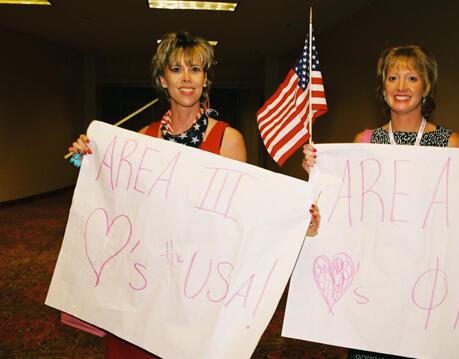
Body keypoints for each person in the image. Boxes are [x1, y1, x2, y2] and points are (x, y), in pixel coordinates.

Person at [68, 31, 319, 358]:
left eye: (196, 69)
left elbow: (242, 217)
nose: (186, 78)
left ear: (206, 80)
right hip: (144, 280)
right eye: (176, 69)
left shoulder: (227, 139)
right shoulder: (142, 138)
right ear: (162, 79)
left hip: (195, 286)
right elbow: (115, 197)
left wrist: (299, 218)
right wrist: (81, 157)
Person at [301, 45, 459, 359]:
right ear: (383, 87)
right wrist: (319, 175)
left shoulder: (450, 144)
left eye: (412, 78)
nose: (401, 87)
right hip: (373, 289)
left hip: (426, 288)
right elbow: (344, 213)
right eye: (393, 78)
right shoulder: (363, 143)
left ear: (426, 87)